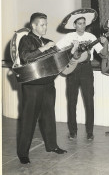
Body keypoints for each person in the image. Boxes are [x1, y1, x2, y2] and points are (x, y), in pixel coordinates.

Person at [17, 12, 70, 164]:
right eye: (42, 25)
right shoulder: (26, 40)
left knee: (48, 116)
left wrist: (70, 52)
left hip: (48, 84)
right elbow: (25, 57)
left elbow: (57, 59)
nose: (45, 27)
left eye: (46, 24)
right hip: (32, 86)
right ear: (33, 26)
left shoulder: (48, 41)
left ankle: (52, 146)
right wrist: (43, 48)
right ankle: (23, 153)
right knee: (29, 119)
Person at [56, 9, 108, 141]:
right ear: (74, 25)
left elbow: (103, 54)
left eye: (84, 23)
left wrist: (105, 43)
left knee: (89, 101)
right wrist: (69, 53)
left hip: (86, 70)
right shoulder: (69, 37)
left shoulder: (91, 37)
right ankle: (72, 131)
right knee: (72, 102)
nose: (82, 25)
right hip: (72, 70)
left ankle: (90, 132)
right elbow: (56, 50)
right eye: (79, 23)